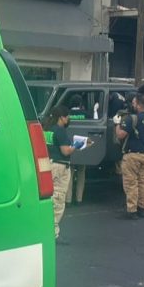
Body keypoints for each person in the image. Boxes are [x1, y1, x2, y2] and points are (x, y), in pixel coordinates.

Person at [45, 105, 84, 245]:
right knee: (58, 200)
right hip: (60, 167)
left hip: (49, 164)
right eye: (67, 117)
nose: (68, 119)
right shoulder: (60, 131)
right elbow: (65, 151)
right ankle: (53, 234)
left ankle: (46, 229)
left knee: (50, 199)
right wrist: (77, 145)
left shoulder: (47, 129)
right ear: (62, 117)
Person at [115, 93, 144, 220]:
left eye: (133, 103)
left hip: (132, 156)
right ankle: (142, 208)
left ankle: (132, 210)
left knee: (131, 184)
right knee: (142, 182)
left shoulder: (132, 118)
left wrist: (117, 123)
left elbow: (120, 135)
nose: (132, 105)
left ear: (138, 104)